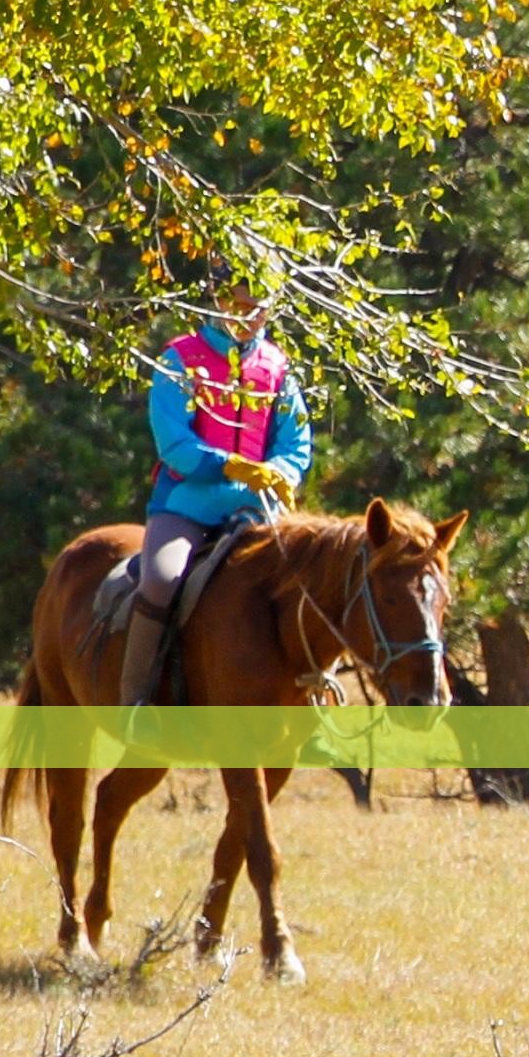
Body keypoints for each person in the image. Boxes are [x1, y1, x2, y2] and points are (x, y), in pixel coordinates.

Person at [120, 277, 312, 723]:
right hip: (188, 503)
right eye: (239, 304)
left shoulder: (279, 367)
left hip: (260, 509)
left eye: (257, 306)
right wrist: (228, 465)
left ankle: (313, 706)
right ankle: (135, 701)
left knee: (310, 581)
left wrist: (280, 471)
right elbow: (173, 442)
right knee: (162, 580)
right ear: (218, 300)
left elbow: (296, 440)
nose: (248, 315)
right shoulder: (180, 359)